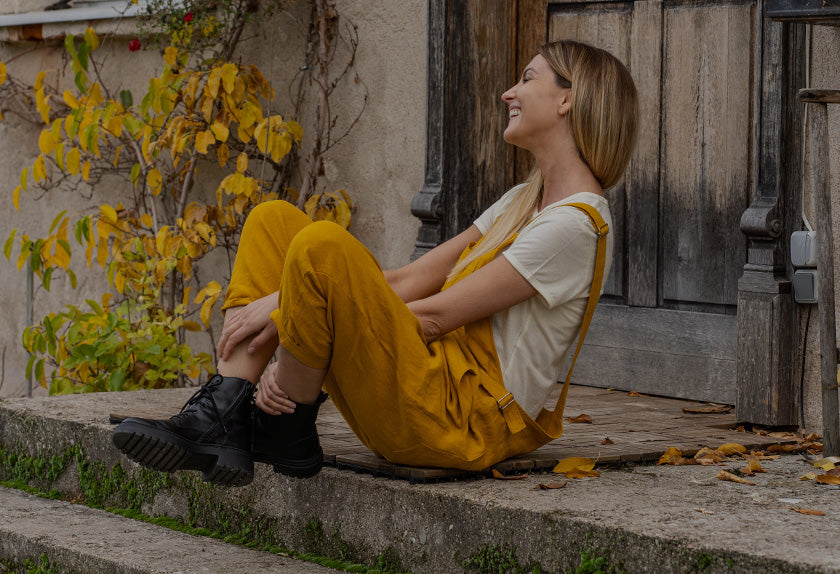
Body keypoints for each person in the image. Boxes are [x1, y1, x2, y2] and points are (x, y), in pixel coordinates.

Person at [113, 39, 638, 487]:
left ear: (567, 98)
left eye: (527, 79)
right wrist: (293, 314)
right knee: (275, 221)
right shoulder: (525, 199)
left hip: (461, 422)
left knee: (321, 246)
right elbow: (409, 280)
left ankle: (286, 413)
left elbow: (433, 316)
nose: (509, 92)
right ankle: (228, 410)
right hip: (426, 386)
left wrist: (292, 330)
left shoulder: (574, 225)